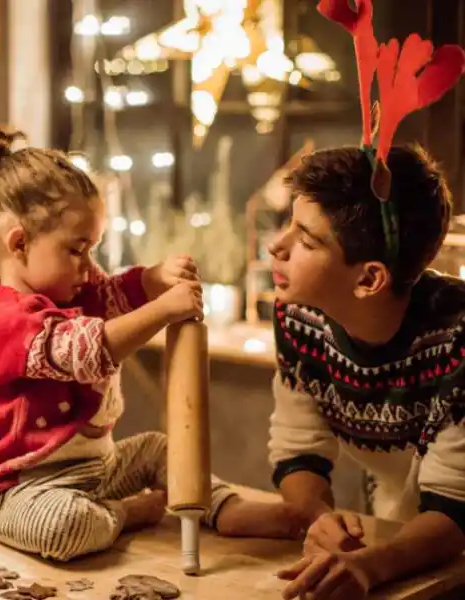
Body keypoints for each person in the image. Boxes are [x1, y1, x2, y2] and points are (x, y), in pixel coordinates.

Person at [0, 129, 304, 562]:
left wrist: (151, 279)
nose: (88, 265)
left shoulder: (74, 286)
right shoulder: (11, 321)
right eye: (76, 250)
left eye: (92, 249)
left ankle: (225, 507)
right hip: (23, 489)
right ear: (19, 243)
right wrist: (162, 310)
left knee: (161, 448)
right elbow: (87, 351)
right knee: (64, 527)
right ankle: (119, 514)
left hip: (95, 471)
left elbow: (112, 296)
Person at [266, 2, 465, 598]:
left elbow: (456, 509)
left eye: (303, 239)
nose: (276, 248)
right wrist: (317, 516)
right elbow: (298, 454)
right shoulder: (300, 319)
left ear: (369, 279)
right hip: (406, 524)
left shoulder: (457, 340)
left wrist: (371, 566)